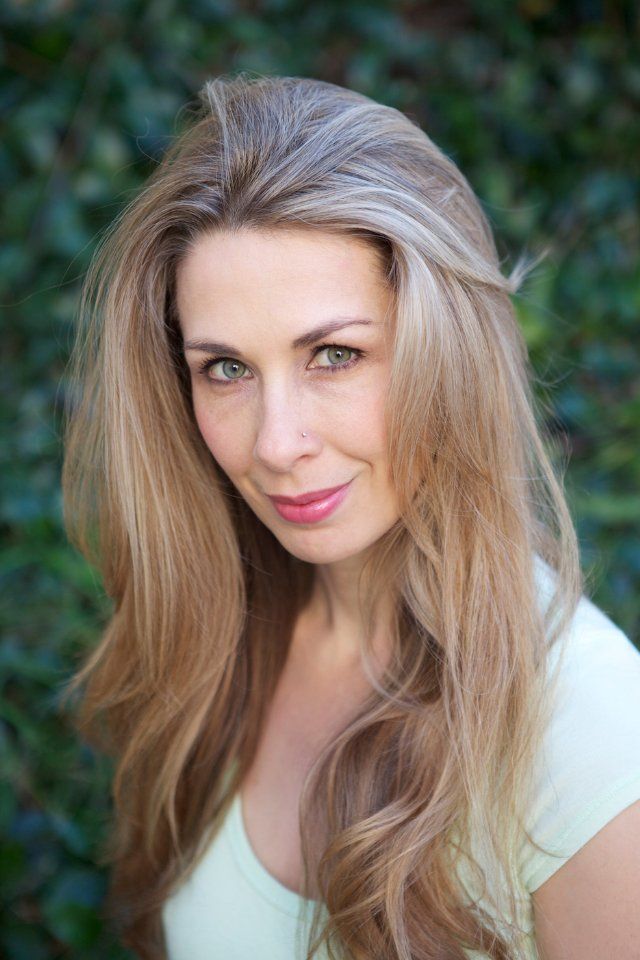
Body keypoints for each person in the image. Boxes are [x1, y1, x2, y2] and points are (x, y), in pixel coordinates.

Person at [61, 73, 640, 960]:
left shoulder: (592, 737)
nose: (276, 443)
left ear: (450, 353)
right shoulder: (219, 643)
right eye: (226, 369)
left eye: (333, 355)